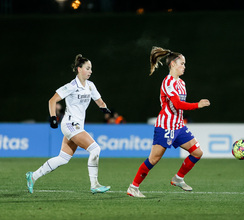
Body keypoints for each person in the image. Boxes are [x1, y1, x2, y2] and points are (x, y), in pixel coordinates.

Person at [127, 47, 210, 197]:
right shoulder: (168, 82)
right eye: (182, 63)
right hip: (165, 126)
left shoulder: (182, 83)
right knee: (154, 159)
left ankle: (178, 178)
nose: (184, 66)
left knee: (197, 152)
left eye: (184, 64)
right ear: (172, 64)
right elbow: (177, 105)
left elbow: (179, 108)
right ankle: (133, 187)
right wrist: (197, 105)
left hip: (178, 126)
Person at [26, 54, 111, 194]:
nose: (90, 71)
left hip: (77, 126)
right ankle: (94, 184)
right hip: (70, 124)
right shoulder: (71, 86)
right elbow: (52, 100)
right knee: (95, 149)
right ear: (79, 69)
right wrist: (53, 117)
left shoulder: (90, 86)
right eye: (87, 68)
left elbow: (99, 101)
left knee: (63, 159)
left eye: (91, 68)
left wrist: (104, 108)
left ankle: (32, 176)